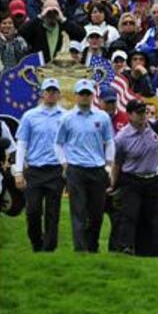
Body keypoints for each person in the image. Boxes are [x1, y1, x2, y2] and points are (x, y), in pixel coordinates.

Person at [110, 98, 158, 255]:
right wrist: (113, 183)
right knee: (129, 214)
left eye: (144, 112)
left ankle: (146, 250)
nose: (143, 116)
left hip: (154, 178)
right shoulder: (122, 138)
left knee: (152, 216)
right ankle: (126, 247)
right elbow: (117, 163)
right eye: (139, 113)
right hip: (132, 178)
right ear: (129, 115)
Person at [54, 79, 114, 252]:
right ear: (76, 96)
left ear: (92, 96)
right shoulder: (67, 118)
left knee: (96, 213)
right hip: (76, 169)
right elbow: (58, 143)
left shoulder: (102, 117)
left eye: (88, 94)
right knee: (78, 211)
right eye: (82, 94)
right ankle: (80, 249)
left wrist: (109, 165)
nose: (85, 97)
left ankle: (92, 245)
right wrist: (64, 163)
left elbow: (109, 141)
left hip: (97, 169)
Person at [12, 78, 66, 252]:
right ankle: (37, 243)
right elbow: (22, 144)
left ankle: (49, 249)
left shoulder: (66, 117)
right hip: (34, 170)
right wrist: (18, 172)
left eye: (54, 91)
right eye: (48, 91)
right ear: (42, 93)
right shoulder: (30, 116)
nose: (51, 94)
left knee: (53, 213)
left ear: (59, 94)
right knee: (33, 211)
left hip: (56, 170)